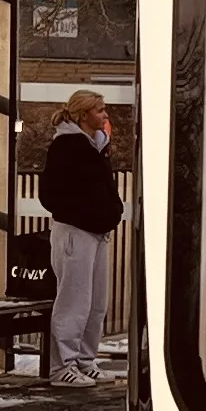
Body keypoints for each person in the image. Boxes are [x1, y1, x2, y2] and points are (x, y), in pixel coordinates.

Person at [39, 89, 123, 385]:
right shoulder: (67, 146)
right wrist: (89, 216)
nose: (105, 115)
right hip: (76, 232)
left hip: (97, 232)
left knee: (96, 301)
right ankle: (63, 366)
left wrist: (111, 212)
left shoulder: (97, 146)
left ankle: (85, 360)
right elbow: (50, 194)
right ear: (84, 113)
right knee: (74, 300)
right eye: (100, 110)